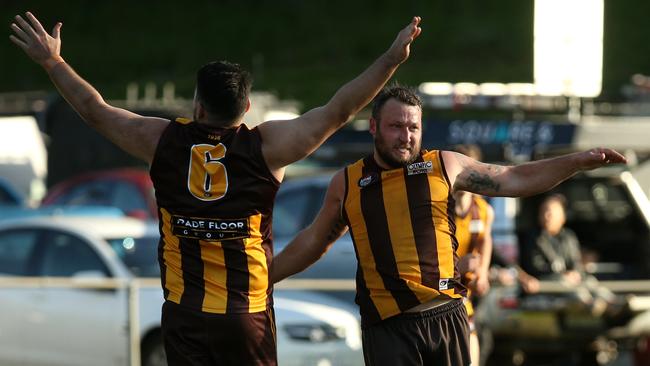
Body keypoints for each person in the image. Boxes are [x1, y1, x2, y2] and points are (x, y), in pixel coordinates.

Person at [10, 11, 422, 366]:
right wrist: (390, 59)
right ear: (246, 109)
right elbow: (339, 110)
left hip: (185, 314)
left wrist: (53, 62)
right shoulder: (266, 147)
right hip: (245, 314)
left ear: (198, 106)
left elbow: (94, 111)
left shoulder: (162, 142)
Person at [270, 85, 627, 365]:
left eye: (414, 127)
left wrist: (576, 162)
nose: (406, 136)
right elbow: (313, 242)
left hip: (447, 317)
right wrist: (264, 276)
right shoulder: (348, 183)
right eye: (396, 127)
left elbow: (515, 178)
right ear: (375, 127)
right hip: (388, 328)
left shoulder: (445, 166)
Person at [449, 144, 493, 366]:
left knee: (472, 344)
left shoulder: (483, 210)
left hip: (463, 294)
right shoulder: (437, 208)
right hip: (438, 291)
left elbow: (485, 240)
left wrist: (483, 272)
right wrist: (457, 265)